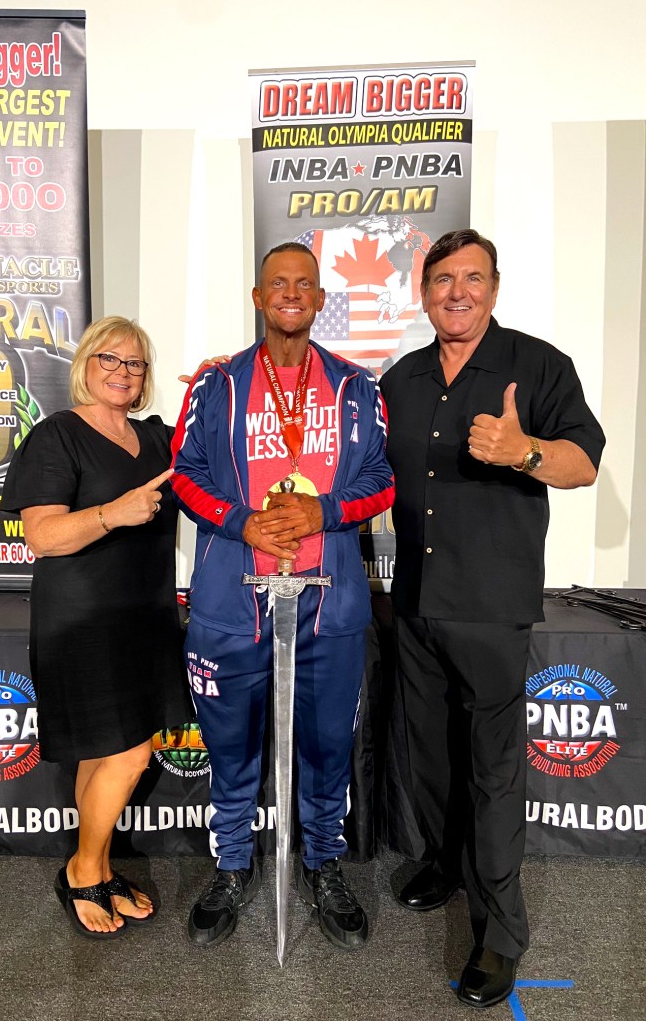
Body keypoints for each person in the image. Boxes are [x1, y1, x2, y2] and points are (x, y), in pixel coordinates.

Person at [379, 230, 605, 1007]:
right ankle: (445, 862)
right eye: (443, 279)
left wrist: (523, 451)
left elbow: (584, 462)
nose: (457, 292)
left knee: (494, 770)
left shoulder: (538, 365)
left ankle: (500, 931)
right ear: (424, 292)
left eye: (472, 278)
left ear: (495, 288)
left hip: (490, 609)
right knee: (434, 760)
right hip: (414, 603)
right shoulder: (400, 378)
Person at [171, 242, 395, 951]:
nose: (292, 293)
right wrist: (242, 521)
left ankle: (323, 863)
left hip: (330, 604)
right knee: (231, 747)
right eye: (279, 284)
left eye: (305, 284)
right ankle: (233, 865)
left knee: (328, 746)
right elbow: (183, 474)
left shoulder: (358, 387)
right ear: (259, 297)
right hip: (232, 601)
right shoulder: (216, 385)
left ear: (320, 298)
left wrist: (323, 512)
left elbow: (384, 481)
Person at [1, 315, 193, 939]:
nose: (121, 371)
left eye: (134, 364)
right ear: (86, 365)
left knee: (103, 752)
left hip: (147, 617)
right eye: (110, 360)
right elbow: (42, 534)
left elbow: (225, 457)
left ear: (144, 379)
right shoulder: (57, 435)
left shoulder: (157, 437)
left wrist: (223, 385)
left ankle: (98, 866)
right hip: (83, 619)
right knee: (131, 752)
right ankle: (83, 871)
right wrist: (114, 513)